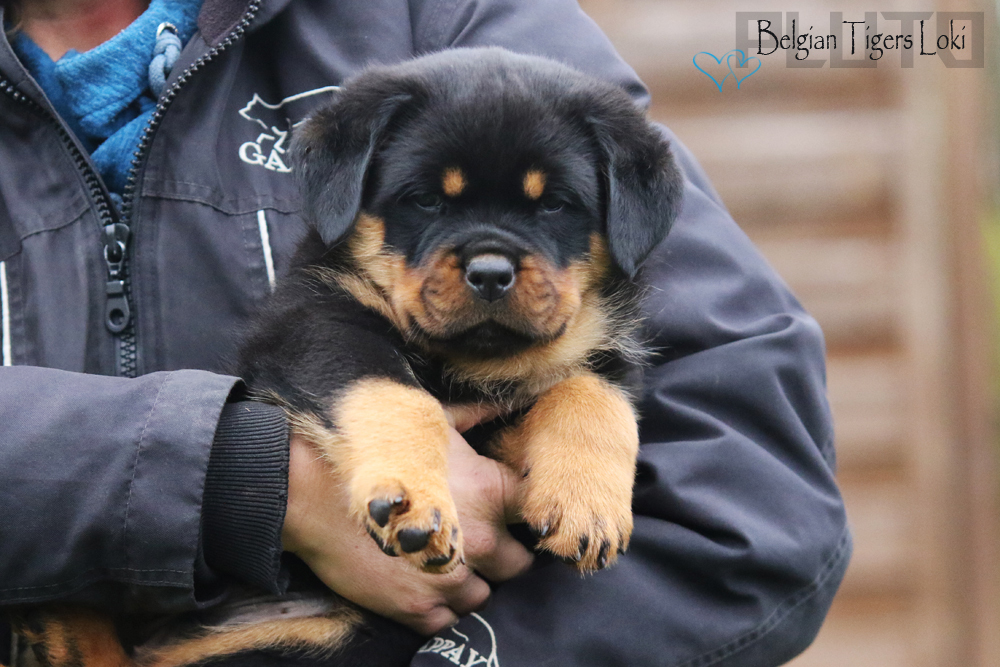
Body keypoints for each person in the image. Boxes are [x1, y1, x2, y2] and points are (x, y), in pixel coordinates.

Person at [0, 0, 852, 665]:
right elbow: (313, 340)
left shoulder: (451, 17)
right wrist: (257, 479)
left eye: (551, 207)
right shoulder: (342, 292)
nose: (489, 263)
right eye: (426, 204)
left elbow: (753, 486)